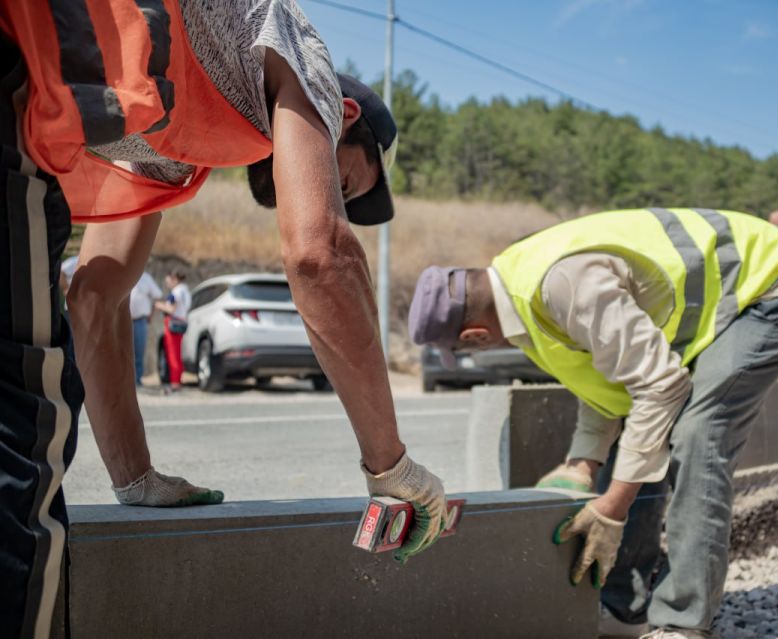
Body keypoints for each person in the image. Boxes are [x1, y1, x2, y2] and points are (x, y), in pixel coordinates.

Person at [0, 2, 447, 635]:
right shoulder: (306, 58)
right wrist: (391, 464)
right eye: (343, 183)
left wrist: (135, 480)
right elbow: (321, 255)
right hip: (20, 54)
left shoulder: (171, 111)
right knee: (15, 449)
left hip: (27, 76)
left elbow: (95, 297)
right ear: (341, 118)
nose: (328, 193)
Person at [408, 208, 778, 638]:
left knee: (699, 433)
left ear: (474, 336)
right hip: (722, 299)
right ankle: (626, 608)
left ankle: (683, 621)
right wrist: (583, 462)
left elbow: (660, 387)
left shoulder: (559, 286)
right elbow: (611, 381)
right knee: (640, 440)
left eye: (464, 349)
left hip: (769, 285)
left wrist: (614, 509)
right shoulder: (515, 286)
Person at [154, 270, 191, 392]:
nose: (167, 283)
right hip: (182, 322)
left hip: (173, 323)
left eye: (168, 281)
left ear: (174, 279)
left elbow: (171, 309)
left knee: (172, 354)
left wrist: (159, 306)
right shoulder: (186, 290)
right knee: (177, 353)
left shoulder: (176, 292)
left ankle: (175, 382)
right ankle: (177, 380)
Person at [130, 270, 164, 386]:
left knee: (139, 351)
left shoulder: (146, 278)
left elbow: (157, 295)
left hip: (140, 320)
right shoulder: (123, 274)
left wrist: (151, 313)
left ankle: (137, 380)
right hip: (122, 321)